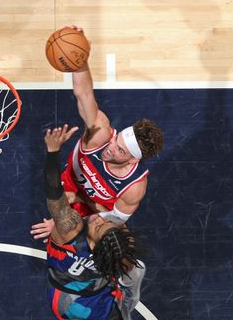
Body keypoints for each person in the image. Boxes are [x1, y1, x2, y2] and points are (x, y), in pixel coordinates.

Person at [31, 30, 164, 238]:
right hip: (65, 185)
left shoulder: (134, 187)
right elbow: (83, 93)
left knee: (106, 238)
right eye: (117, 141)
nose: (111, 148)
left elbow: (112, 219)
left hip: (95, 211)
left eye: (120, 150)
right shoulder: (100, 135)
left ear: (131, 161)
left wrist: (65, 220)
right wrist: (81, 59)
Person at [43, 125, 145, 320]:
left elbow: (53, 192)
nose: (101, 220)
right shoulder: (114, 256)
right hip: (98, 308)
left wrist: (53, 152)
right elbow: (125, 249)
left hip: (64, 305)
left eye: (100, 226)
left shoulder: (67, 231)